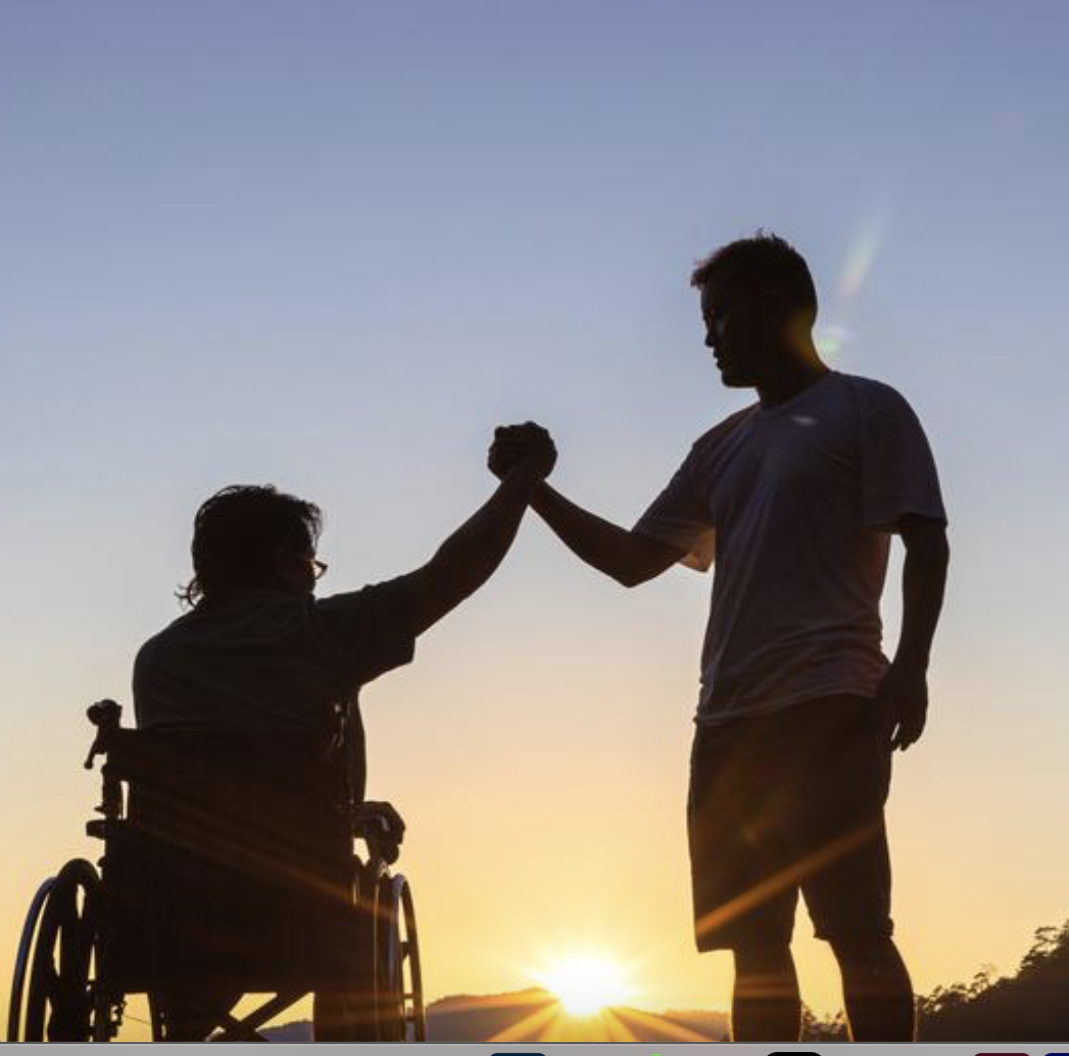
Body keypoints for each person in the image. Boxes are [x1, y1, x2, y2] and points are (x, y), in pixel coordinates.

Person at [490, 233, 950, 1041]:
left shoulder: (867, 407)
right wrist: (534, 490)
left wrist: (910, 669)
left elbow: (927, 538)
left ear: (774, 306)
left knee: (856, 930)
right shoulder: (720, 447)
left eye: (719, 316)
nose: (707, 339)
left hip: (832, 700)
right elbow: (633, 561)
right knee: (754, 946)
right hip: (728, 720)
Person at [132, 425, 555, 1039]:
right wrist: (522, 481)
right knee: (350, 897)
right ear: (283, 564)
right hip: (296, 906)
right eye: (311, 564)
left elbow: (218, 778)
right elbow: (454, 572)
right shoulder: (320, 633)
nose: (315, 579)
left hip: (171, 910)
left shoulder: (157, 660)